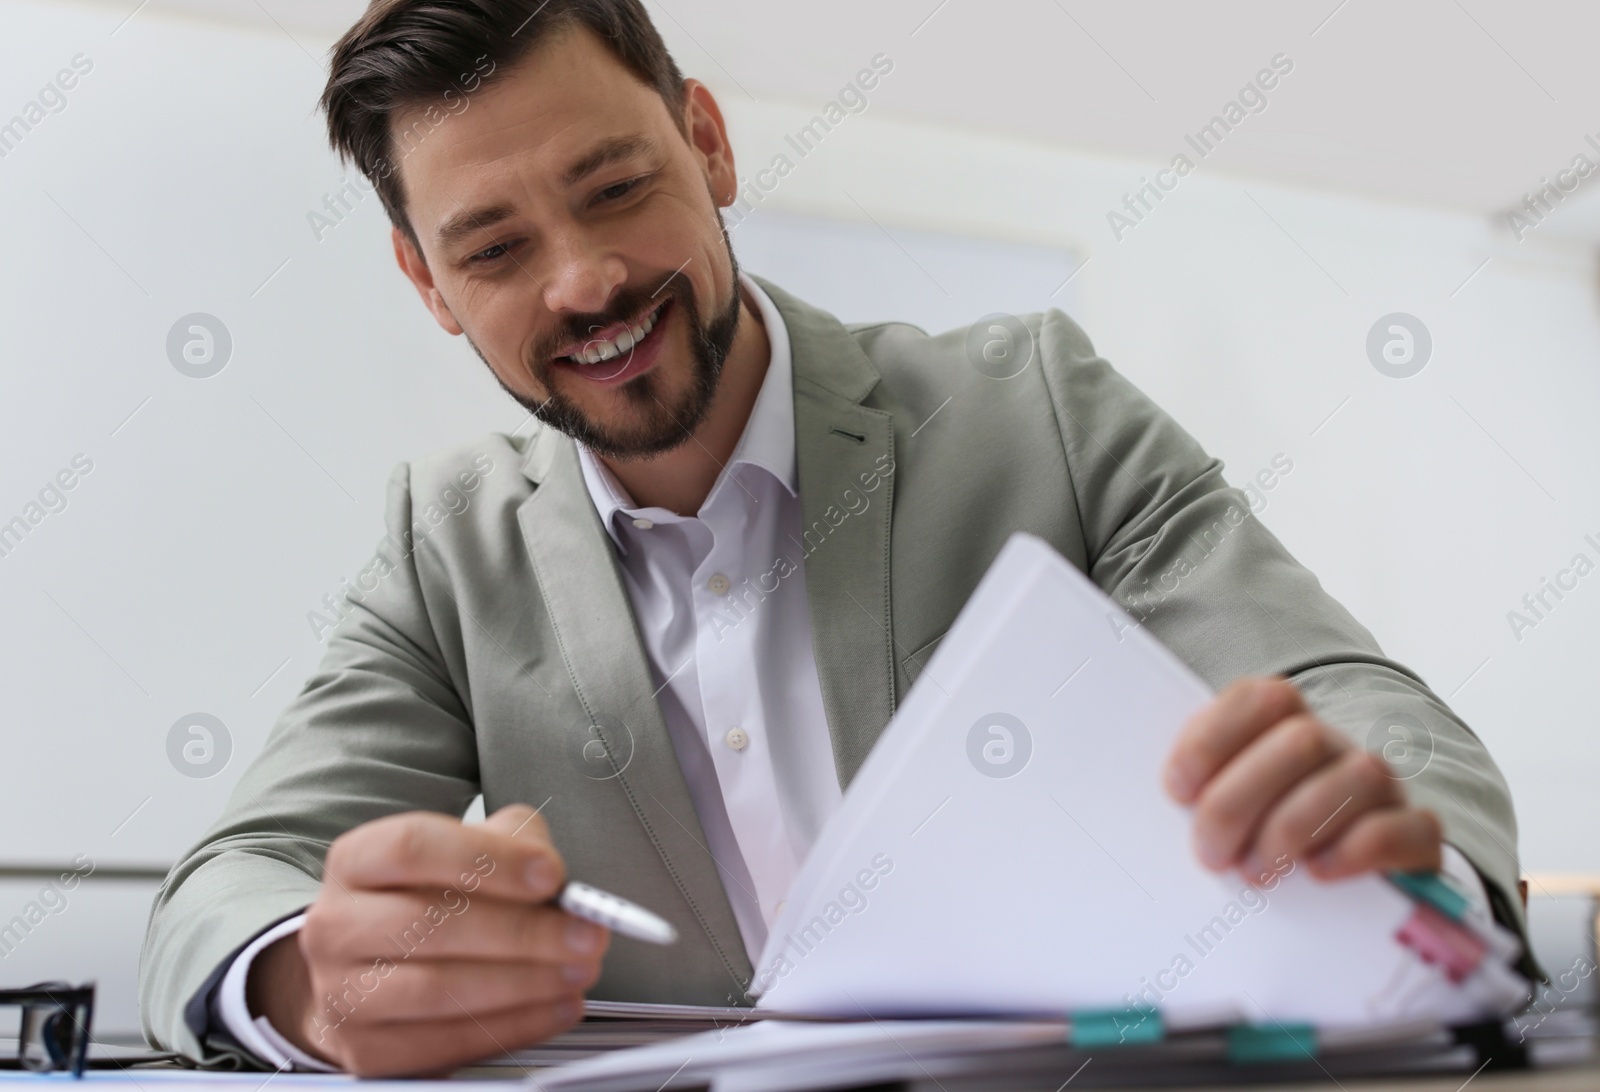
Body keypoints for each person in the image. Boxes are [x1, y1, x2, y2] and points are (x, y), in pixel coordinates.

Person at [138, 0, 1530, 1077]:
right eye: (493, 249)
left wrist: (1383, 841)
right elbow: (225, 886)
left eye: (618, 185)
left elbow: (1360, 706)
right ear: (426, 282)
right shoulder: (445, 551)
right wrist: (307, 985)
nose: (586, 281)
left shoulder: (1034, 405)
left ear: (709, 141)